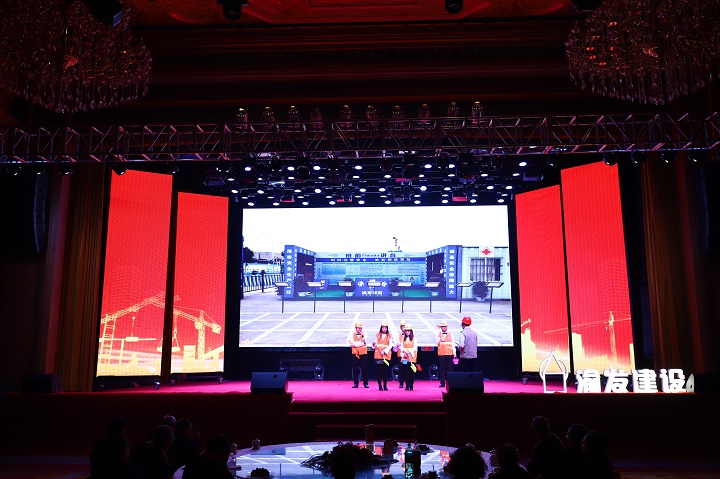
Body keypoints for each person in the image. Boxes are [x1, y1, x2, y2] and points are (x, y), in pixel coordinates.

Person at [347, 320, 369, 388]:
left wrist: (355, 344)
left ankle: (365, 383)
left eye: (361, 328)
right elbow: (352, 342)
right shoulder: (351, 334)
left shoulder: (365, 334)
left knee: (364, 368)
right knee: (355, 368)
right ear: (356, 328)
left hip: (363, 353)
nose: (360, 329)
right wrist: (359, 343)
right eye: (359, 328)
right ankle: (355, 383)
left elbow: (363, 343)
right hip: (355, 353)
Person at [372, 320, 394, 390]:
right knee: (379, 372)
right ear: (381, 328)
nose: (384, 329)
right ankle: (380, 386)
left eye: (385, 328)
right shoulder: (378, 335)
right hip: (378, 355)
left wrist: (384, 351)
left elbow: (390, 345)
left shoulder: (389, 336)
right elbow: (375, 345)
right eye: (383, 328)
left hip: (386, 355)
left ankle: (385, 386)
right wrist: (373, 344)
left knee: (385, 372)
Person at [436, 319, 456, 387]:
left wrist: (454, 353)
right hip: (441, 354)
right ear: (441, 327)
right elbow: (437, 343)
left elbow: (453, 343)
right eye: (443, 326)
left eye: (445, 326)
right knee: (442, 369)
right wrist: (440, 337)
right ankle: (442, 382)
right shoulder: (439, 333)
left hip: (449, 353)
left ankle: (451, 382)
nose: (444, 328)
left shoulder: (450, 333)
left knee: (450, 369)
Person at [400, 323, 417, 391]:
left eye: (408, 331)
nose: (407, 332)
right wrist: (404, 351)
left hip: (411, 357)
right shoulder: (403, 339)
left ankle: (411, 385)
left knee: (411, 372)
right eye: (406, 331)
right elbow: (401, 347)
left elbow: (415, 347)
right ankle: (407, 385)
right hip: (405, 357)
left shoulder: (414, 338)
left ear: (411, 331)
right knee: (405, 372)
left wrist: (409, 352)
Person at [395, 320, 407, 388]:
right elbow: (398, 344)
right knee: (401, 369)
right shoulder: (398, 335)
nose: (404, 328)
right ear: (401, 328)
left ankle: (407, 382)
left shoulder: (409, 335)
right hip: (400, 355)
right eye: (403, 327)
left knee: (406, 368)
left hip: (406, 356)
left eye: (405, 327)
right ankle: (401, 382)